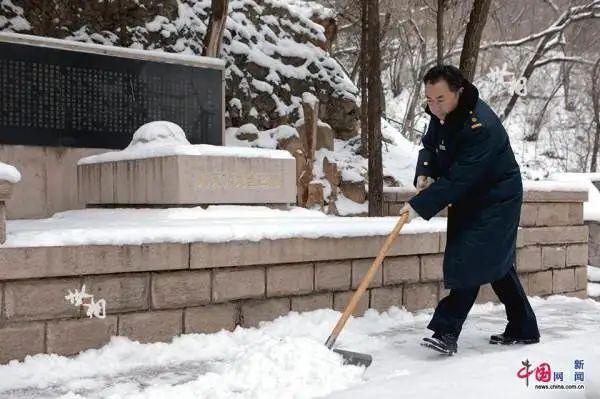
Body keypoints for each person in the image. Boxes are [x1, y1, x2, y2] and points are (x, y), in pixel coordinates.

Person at [400, 65, 540, 355]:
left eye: (440, 99)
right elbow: (430, 145)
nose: (433, 106)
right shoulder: (443, 113)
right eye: (429, 99)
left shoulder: (481, 127)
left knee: (472, 258)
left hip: (497, 197)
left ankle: (446, 331)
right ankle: (523, 327)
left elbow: (459, 177)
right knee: (496, 264)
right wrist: (424, 171)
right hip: (471, 193)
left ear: (458, 91)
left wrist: (419, 207)